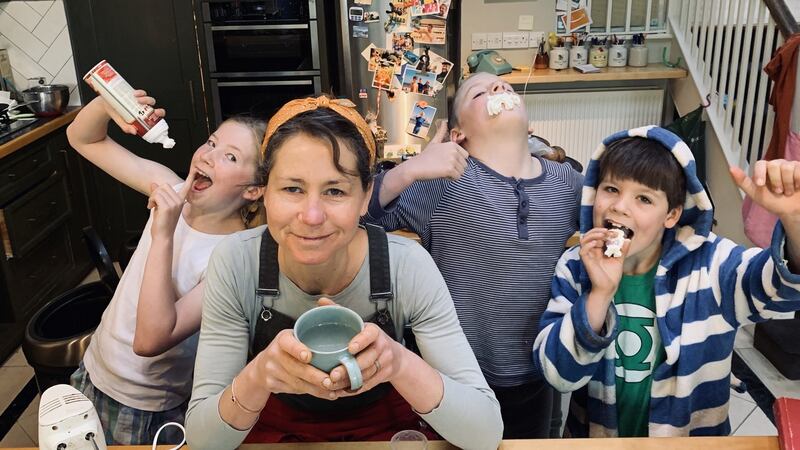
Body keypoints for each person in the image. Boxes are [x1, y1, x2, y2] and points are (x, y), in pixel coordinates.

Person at [184, 96, 503, 450]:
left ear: (366, 196)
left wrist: (398, 362)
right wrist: (259, 375)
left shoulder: (406, 266)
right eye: (292, 189)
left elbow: (484, 433)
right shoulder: (236, 263)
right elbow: (204, 441)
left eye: (335, 191)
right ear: (264, 193)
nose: (312, 216)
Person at [533, 126, 800, 437]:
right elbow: (558, 375)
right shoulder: (576, 265)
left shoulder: (712, 264)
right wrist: (599, 295)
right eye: (611, 189)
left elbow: (783, 291)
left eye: (644, 198)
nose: (620, 206)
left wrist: (794, 221)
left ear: (671, 215)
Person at [363, 72, 584, 439]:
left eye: (506, 87)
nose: (499, 88)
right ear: (457, 135)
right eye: (479, 93)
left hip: (536, 373)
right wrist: (411, 169)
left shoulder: (567, 183)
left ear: (529, 125)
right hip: (457, 377)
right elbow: (359, 215)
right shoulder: (440, 182)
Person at [66, 91, 266, 445]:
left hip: (146, 404)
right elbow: (83, 138)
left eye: (230, 156)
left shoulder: (235, 256)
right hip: (94, 369)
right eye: (211, 142)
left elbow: (151, 340)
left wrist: (163, 235)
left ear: (253, 189)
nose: (207, 155)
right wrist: (109, 104)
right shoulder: (169, 186)